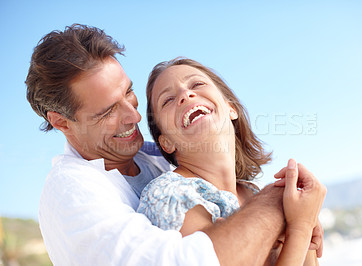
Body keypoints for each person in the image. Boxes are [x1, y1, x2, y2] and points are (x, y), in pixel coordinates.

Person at [25, 24, 322, 265]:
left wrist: (300, 221)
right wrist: (283, 210)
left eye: (128, 93)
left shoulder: (152, 157)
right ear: (61, 122)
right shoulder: (71, 193)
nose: (134, 116)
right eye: (107, 111)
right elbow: (184, 261)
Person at [138, 58, 326, 265]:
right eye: (167, 100)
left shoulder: (256, 192)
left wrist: (304, 212)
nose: (185, 95)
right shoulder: (167, 195)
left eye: (197, 84)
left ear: (231, 108)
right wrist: (300, 227)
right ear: (166, 142)